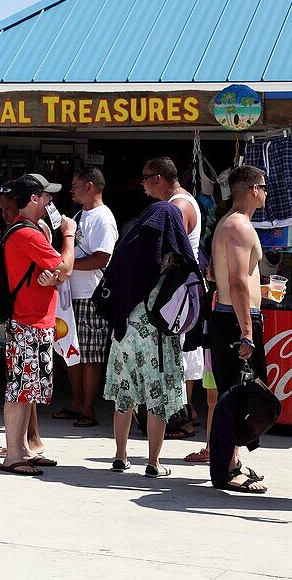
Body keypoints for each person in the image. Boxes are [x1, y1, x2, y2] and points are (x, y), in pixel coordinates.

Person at [100, 193, 194, 478]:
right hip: (159, 337)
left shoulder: (127, 248)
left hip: (125, 332)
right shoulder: (175, 256)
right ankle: (153, 462)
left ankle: (120, 455)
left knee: (124, 397)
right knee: (158, 399)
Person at [0, 174, 76, 476]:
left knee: (28, 391)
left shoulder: (31, 232)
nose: (50, 202)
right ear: (33, 199)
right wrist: (68, 234)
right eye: (46, 196)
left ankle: (25, 450)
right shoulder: (26, 234)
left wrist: (53, 274)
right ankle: (13, 455)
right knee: (19, 390)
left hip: (35, 321)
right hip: (27, 322)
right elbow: (66, 266)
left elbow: (55, 270)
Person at [207, 165, 269, 493]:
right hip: (235, 320)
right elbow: (236, 281)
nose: (267, 193)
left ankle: (230, 462)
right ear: (252, 190)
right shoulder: (238, 227)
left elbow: (217, 276)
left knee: (239, 395)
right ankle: (226, 471)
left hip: (233, 316)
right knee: (235, 397)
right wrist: (246, 329)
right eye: (264, 187)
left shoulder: (230, 224)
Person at [141, 156, 204, 440]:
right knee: (182, 356)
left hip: (176, 293)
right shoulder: (183, 201)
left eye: (145, 178)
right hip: (180, 291)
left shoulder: (176, 207)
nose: (142, 184)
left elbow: (162, 250)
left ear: (157, 178)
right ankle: (183, 415)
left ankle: (181, 418)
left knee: (176, 356)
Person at [56, 166, 117, 428]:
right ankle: (77, 403)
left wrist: (67, 265)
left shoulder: (103, 218)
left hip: (92, 296)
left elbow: (103, 258)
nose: (72, 190)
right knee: (72, 352)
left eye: (75, 185)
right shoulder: (80, 215)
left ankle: (88, 409)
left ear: (90, 186)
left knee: (91, 356)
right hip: (71, 295)